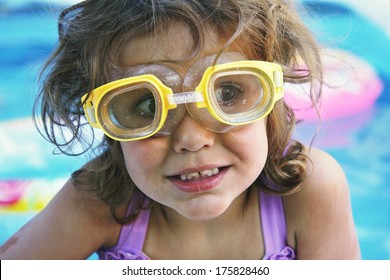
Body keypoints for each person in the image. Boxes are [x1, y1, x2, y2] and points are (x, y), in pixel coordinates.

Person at [0, 0, 360, 260]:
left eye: (227, 93)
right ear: (108, 123)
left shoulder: (307, 189)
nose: (191, 139)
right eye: (145, 105)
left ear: (272, 95)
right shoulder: (102, 201)